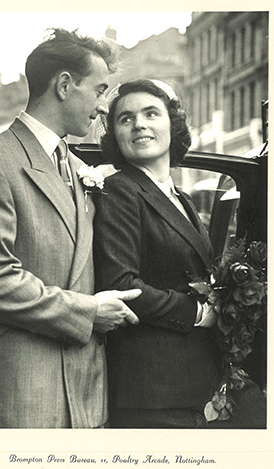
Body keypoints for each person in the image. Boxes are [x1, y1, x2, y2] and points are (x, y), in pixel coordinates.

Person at [0, 28, 141, 429]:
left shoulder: (78, 168)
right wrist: (88, 310)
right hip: (19, 389)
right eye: (99, 90)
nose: (101, 108)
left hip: (84, 389)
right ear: (63, 85)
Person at [93, 79, 221, 428]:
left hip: (189, 382)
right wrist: (197, 311)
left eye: (151, 113)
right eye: (126, 119)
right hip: (151, 388)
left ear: (172, 124)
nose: (139, 125)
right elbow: (122, 285)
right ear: (115, 135)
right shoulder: (120, 191)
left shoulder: (181, 198)